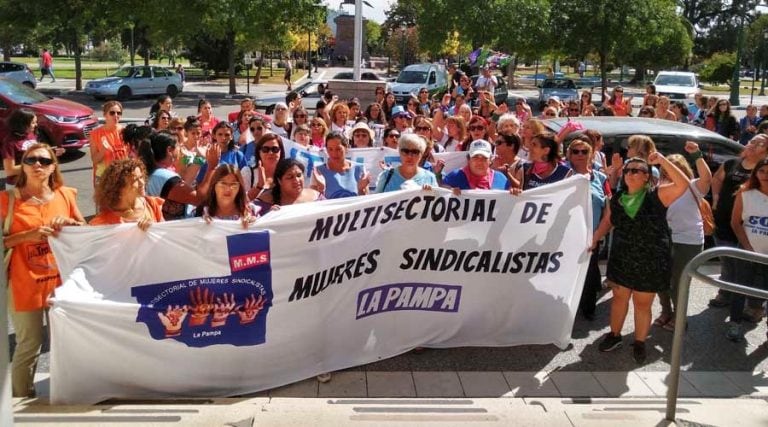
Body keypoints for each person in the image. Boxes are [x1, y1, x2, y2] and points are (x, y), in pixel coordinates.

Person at [3, 144, 85, 397]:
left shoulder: (65, 195)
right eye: (30, 160)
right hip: (22, 282)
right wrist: (29, 235)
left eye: (44, 161)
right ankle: (20, 398)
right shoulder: (7, 200)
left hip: (60, 281)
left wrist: (70, 223)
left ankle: (66, 393)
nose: (37, 164)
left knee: (66, 342)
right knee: (29, 344)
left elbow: (84, 228)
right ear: (23, 165)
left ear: (53, 167)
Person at [593, 151, 689, 363]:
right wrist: (595, 238)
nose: (630, 173)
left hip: (651, 259)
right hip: (622, 257)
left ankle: (639, 341)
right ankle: (614, 335)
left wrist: (663, 160)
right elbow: (608, 221)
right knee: (619, 299)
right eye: (627, 170)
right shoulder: (617, 198)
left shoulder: (657, 195)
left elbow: (683, 184)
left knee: (642, 304)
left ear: (647, 176)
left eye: (637, 170)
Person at [654, 143, 712, 331]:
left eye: (676, 167)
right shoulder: (659, 187)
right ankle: (666, 312)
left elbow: (707, 178)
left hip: (688, 241)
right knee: (661, 279)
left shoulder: (693, 187)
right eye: (667, 167)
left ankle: (680, 318)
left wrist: (696, 154)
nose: (671, 171)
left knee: (678, 282)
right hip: (664, 240)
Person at [709, 134, 768, 314]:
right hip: (725, 224)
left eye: (760, 144)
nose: (753, 145)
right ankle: (726, 293)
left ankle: (754, 305)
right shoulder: (732, 163)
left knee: (754, 269)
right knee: (728, 262)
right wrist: (716, 197)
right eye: (752, 141)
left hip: (751, 229)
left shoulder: (763, 171)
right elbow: (717, 179)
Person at [567, 138, 611, 320]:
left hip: (592, 236)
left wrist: (597, 236)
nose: (580, 155)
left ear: (591, 155)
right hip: (567, 236)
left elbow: (609, 211)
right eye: (575, 151)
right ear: (569, 155)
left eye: (584, 151)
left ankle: (588, 309)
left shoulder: (601, 178)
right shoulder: (564, 176)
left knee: (590, 274)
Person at [727, 158, 768, 341]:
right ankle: (735, 323)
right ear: (756, 173)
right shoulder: (745, 193)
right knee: (740, 288)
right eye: (762, 171)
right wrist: (748, 247)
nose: (766, 176)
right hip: (746, 250)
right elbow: (736, 223)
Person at [140, 132, 219, 220]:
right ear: (169, 150)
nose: (180, 148)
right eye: (178, 146)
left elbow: (188, 177)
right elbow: (199, 199)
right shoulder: (164, 176)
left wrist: (200, 157)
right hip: (172, 230)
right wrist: (212, 166)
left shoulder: (155, 171)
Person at [90, 158, 164, 230]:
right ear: (119, 187)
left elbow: (165, 234)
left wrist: (154, 227)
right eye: (135, 180)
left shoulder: (152, 205)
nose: (142, 183)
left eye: (141, 177)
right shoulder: (102, 222)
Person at [311, 132, 370, 199]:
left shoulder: (360, 169)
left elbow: (366, 203)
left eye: (338, 149)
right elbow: (314, 204)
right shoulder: (318, 172)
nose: (334, 153)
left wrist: (361, 190)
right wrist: (321, 190)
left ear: (346, 148)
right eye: (330, 149)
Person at [199, 164, 260, 228]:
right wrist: (200, 224)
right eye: (223, 183)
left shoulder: (252, 212)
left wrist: (255, 225)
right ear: (214, 185)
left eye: (233, 184)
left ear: (240, 187)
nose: (228, 189)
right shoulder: (200, 212)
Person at [441, 140, 511, 191]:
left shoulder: (501, 179)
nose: (479, 162)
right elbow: (440, 192)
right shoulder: (454, 177)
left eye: (484, 158)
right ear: (468, 159)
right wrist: (449, 191)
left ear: (490, 160)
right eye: (475, 157)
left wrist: (515, 194)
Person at [89, 101, 128, 187]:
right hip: (104, 177)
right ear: (105, 115)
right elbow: (94, 160)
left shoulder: (125, 132)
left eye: (119, 113)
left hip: (122, 176)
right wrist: (103, 150)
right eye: (112, 113)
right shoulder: (95, 134)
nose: (116, 115)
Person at [258, 159, 323, 208]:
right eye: (290, 177)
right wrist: (268, 215)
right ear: (279, 181)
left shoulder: (317, 197)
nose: (296, 180)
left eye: (299, 175)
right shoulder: (262, 203)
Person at [2, 109, 39, 189]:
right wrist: (34, 165)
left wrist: (50, 153)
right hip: (18, 185)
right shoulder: (10, 142)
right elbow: (10, 171)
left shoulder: (31, 134)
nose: (36, 125)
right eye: (33, 123)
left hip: (33, 182)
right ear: (22, 124)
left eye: (36, 122)